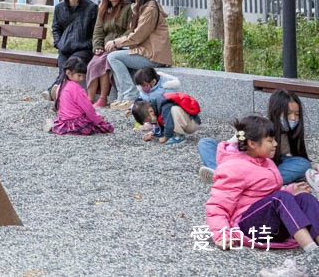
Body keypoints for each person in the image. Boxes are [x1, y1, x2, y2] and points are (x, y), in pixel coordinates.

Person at [205, 115, 319, 251]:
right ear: (252, 144)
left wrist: (290, 190)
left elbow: (268, 195)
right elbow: (218, 205)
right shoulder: (234, 167)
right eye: (270, 140)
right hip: (249, 226)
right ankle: (311, 250)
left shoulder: (267, 162)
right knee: (281, 198)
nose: (275, 144)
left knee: (304, 198)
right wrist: (222, 235)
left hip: (272, 224)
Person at [199, 90, 319, 187]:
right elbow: (235, 143)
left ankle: (254, 181)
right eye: (288, 113)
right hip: (242, 162)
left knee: (302, 163)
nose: (293, 118)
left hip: (265, 166)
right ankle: (221, 174)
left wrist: (312, 165)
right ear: (276, 112)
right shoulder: (260, 127)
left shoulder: (292, 134)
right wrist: (238, 137)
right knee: (206, 143)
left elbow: (299, 157)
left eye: (297, 114)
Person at [105, 0, 173, 110]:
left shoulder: (150, 10)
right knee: (114, 54)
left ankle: (131, 95)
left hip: (153, 56)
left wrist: (116, 42)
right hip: (145, 51)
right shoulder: (142, 7)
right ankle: (122, 97)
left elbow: (137, 36)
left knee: (113, 57)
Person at [47, 0, 97, 98]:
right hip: (65, 48)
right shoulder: (59, 8)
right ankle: (59, 91)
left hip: (83, 49)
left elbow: (95, 33)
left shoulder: (91, 8)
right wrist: (59, 44)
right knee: (64, 68)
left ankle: (54, 90)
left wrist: (85, 45)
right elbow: (56, 28)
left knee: (70, 66)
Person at [86, 0, 131, 107]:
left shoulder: (128, 8)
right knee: (93, 63)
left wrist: (117, 43)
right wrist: (98, 46)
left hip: (120, 47)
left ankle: (103, 98)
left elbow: (131, 31)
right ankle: (90, 99)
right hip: (105, 46)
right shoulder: (103, 8)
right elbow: (98, 31)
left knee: (104, 64)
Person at [47, 57, 114, 136]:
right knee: (107, 127)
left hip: (63, 123)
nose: (81, 79)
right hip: (76, 124)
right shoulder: (77, 88)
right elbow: (88, 108)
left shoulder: (61, 85)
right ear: (68, 73)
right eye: (79, 75)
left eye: (82, 76)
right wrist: (98, 119)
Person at [131, 92, 200, 144]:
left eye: (149, 120)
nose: (151, 122)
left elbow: (168, 123)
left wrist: (165, 137)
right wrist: (152, 133)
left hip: (192, 122)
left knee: (174, 110)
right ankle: (176, 134)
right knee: (167, 116)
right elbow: (162, 125)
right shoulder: (155, 109)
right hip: (186, 122)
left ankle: (179, 135)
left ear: (150, 111)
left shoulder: (164, 105)